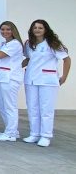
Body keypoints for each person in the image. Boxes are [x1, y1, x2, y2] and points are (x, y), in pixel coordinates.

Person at [22, 19, 70, 147]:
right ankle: (34, 134)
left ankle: (46, 136)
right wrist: (16, 68)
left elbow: (67, 59)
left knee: (46, 109)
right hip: (31, 79)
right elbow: (28, 59)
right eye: (35, 28)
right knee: (32, 107)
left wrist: (64, 77)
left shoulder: (52, 43)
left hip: (47, 80)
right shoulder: (29, 44)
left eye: (40, 28)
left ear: (45, 30)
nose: (37, 30)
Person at [0, 21, 24, 141]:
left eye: (8, 29)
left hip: (10, 78)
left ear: (13, 31)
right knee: (1, 105)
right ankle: (11, 130)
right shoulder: (6, 43)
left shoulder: (15, 44)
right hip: (2, 77)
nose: (5, 32)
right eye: (2, 29)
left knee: (10, 106)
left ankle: (11, 133)